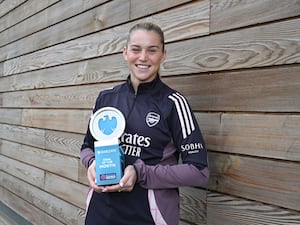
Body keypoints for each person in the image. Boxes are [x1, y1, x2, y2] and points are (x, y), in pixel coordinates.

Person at [80, 22, 209, 225]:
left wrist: (141, 173)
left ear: (163, 55)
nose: (143, 57)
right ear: (125, 53)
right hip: (100, 213)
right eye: (136, 49)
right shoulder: (106, 99)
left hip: (148, 216)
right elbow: (87, 147)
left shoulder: (174, 104)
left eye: (152, 50)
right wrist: (92, 163)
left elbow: (199, 171)